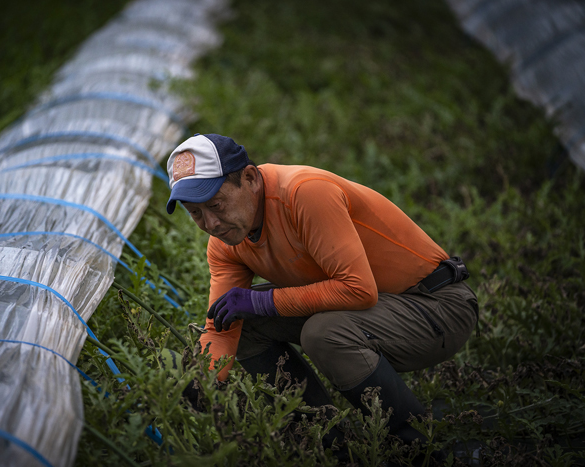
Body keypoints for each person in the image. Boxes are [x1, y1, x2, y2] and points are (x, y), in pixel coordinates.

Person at [166, 133, 479, 461]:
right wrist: (200, 381)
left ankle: (423, 449)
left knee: (323, 333)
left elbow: (358, 288)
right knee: (242, 321)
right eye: (196, 214)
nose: (211, 223)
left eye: (216, 205)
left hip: (437, 305)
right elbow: (221, 328)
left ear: (250, 178)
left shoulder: (304, 193)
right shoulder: (226, 241)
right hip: (380, 311)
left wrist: (263, 302)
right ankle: (328, 446)